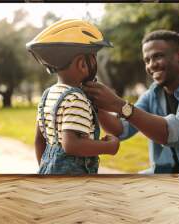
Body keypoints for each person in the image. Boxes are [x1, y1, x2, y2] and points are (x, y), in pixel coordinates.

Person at [83, 30, 179, 174]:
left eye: (158, 56)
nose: (151, 65)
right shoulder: (153, 93)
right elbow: (121, 129)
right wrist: (97, 105)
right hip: (161, 173)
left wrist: (118, 105)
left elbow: (175, 132)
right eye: (147, 60)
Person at [26, 19, 120, 174]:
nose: (95, 62)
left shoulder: (48, 94)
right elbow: (72, 145)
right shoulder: (76, 99)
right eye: (94, 57)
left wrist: (45, 169)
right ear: (82, 65)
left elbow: (39, 140)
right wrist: (110, 147)